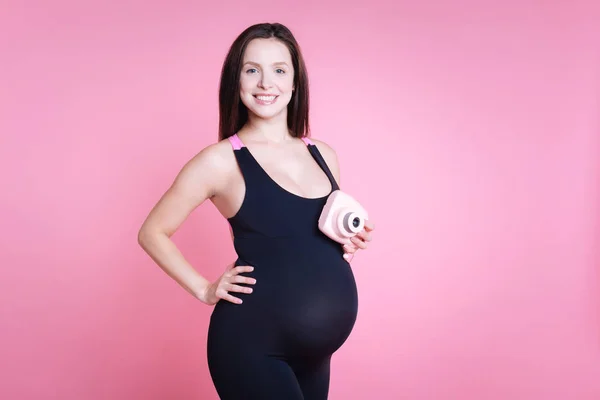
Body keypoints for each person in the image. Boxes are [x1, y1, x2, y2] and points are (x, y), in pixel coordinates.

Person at [137, 22, 374, 400]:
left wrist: (349, 240)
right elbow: (152, 232)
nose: (266, 83)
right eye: (252, 70)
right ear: (237, 80)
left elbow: (301, 239)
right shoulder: (220, 161)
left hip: (316, 354)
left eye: (279, 70)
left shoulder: (324, 155)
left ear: (295, 82)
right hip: (253, 346)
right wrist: (204, 288)